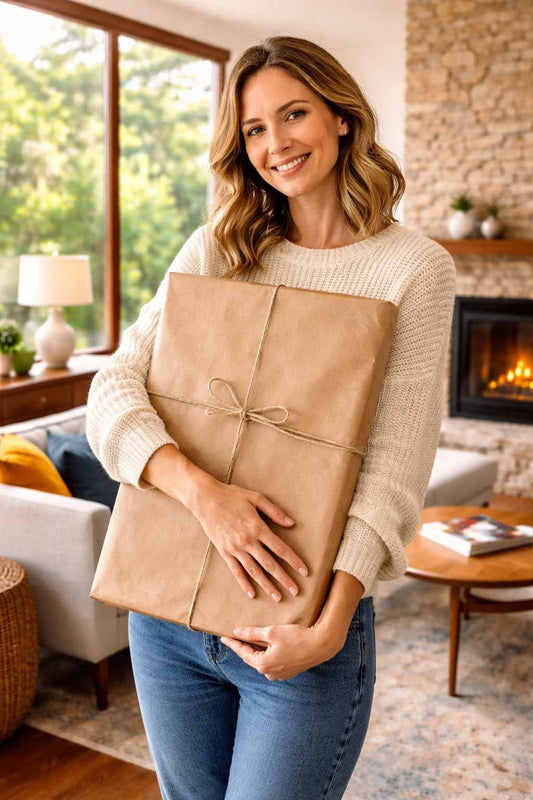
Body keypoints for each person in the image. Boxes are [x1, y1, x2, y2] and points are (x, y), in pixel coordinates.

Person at [86, 35, 456, 800]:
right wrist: (203, 495)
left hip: (300, 632)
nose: (275, 143)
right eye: (254, 128)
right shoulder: (218, 249)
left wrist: (325, 628)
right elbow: (113, 387)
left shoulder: (412, 267)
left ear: (341, 118)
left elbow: (395, 461)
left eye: (294, 115)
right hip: (166, 621)